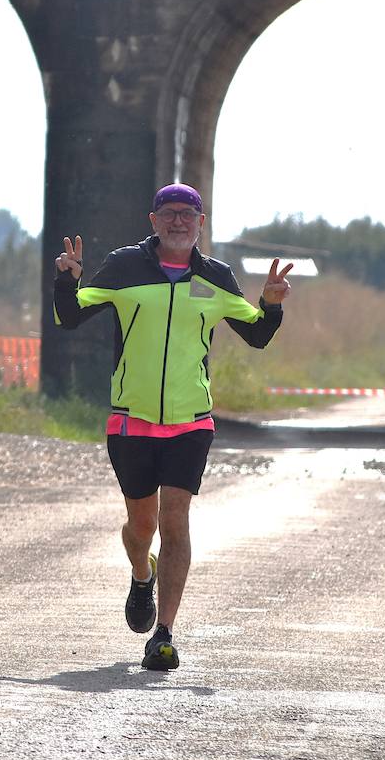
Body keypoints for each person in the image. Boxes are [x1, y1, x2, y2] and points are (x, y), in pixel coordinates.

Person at [53, 183, 292, 671]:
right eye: (169, 213)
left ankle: (163, 634)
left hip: (190, 423)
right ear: (153, 220)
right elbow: (69, 317)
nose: (178, 221)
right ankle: (142, 574)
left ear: (201, 223)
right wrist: (66, 281)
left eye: (187, 214)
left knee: (175, 520)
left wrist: (271, 303)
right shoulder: (124, 267)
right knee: (142, 525)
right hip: (131, 419)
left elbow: (257, 335)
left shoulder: (216, 277)